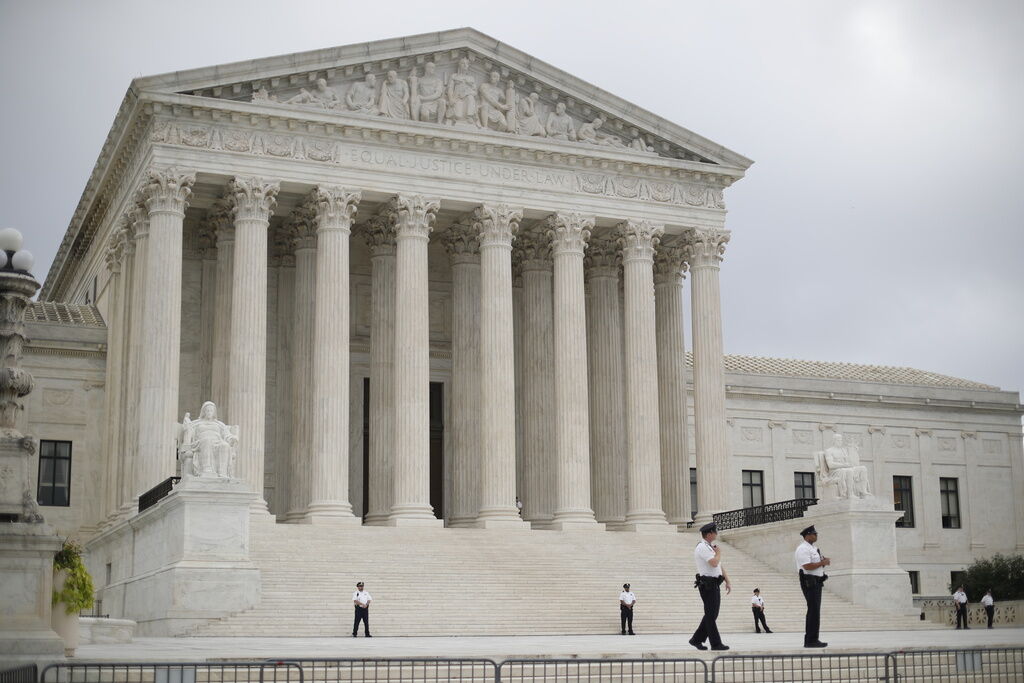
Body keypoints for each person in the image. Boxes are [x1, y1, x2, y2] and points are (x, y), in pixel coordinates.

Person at [689, 522, 731, 651]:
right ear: (709, 534)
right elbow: (714, 563)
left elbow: (719, 565)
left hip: (714, 583)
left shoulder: (709, 547)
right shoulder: (702, 547)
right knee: (711, 615)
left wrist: (727, 581)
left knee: (712, 614)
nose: (716, 533)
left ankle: (696, 639)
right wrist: (718, 553)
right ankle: (715, 643)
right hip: (707, 584)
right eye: (715, 531)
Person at [796, 525, 829, 648]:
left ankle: (813, 639)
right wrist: (822, 562)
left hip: (817, 581)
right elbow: (807, 566)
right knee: (813, 611)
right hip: (810, 582)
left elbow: (817, 564)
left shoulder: (814, 548)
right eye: (814, 534)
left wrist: (823, 563)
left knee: (815, 611)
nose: (816, 536)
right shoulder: (803, 549)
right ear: (807, 535)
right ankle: (810, 640)